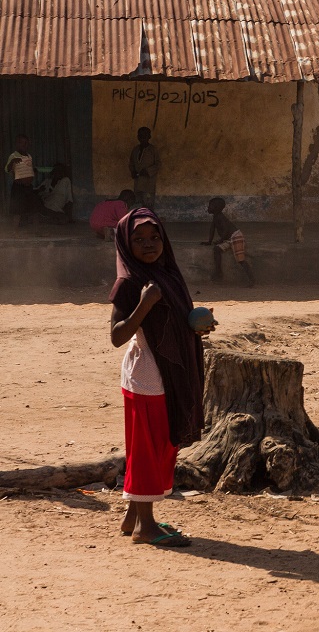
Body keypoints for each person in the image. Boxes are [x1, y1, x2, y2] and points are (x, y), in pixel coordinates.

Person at [110, 208, 211, 546]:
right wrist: (144, 304)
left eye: (154, 237)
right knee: (148, 450)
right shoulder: (129, 281)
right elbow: (117, 335)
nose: (149, 244)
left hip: (167, 375)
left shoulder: (167, 272)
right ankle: (146, 527)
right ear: (126, 244)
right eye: (138, 239)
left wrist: (198, 324)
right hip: (147, 377)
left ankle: (132, 517)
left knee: (158, 446)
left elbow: (176, 320)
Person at [201, 197, 255, 286]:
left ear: (216, 208)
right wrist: (209, 241)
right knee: (217, 249)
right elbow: (212, 229)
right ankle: (218, 272)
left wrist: (220, 240)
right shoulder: (216, 217)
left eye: (210, 206)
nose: (208, 208)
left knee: (240, 259)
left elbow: (226, 229)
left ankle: (251, 279)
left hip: (236, 237)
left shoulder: (221, 217)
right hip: (229, 239)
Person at [5, 134, 39, 226]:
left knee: (34, 209)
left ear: (28, 144)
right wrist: (12, 162)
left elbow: (30, 168)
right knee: (17, 212)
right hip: (18, 187)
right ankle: (15, 232)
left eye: (25, 143)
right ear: (17, 144)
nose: (23, 145)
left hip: (28, 187)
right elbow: (7, 169)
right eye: (21, 143)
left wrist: (33, 171)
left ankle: (36, 231)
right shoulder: (13, 156)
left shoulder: (29, 156)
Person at [128, 127, 160, 209]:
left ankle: (148, 221)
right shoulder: (135, 150)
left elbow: (158, 164)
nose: (142, 137)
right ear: (138, 137)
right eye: (140, 135)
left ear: (149, 136)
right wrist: (133, 171)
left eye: (145, 135)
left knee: (148, 205)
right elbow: (131, 163)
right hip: (138, 182)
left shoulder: (153, 150)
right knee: (137, 204)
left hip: (148, 183)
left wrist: (148, 171)